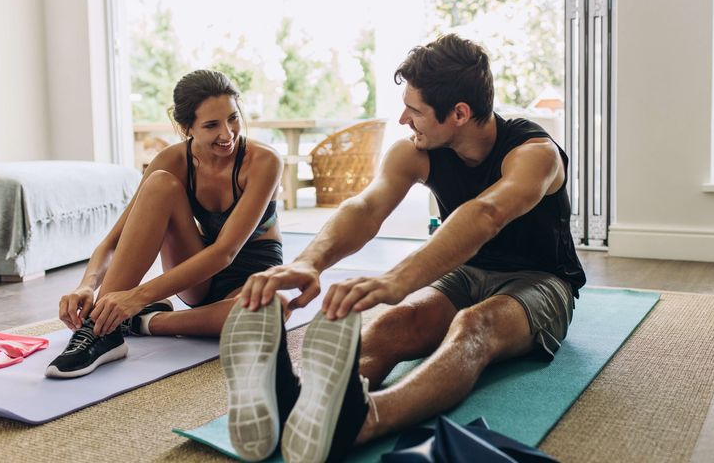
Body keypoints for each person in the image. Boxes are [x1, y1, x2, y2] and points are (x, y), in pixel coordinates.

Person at [220, 33, 586, 463]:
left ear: (459, 114)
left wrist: (397, 279)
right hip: (467, 271)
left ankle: (362, 420)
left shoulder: (535, 154)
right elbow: (367, 207)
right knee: (398, 321)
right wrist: (308, 263)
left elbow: (487, 214)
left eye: (414, 110)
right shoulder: (416, 150)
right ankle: (299, 402)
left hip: (541, 281)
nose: (402, 120)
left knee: (474, 328)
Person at [46, 69, 286, 379]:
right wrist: (87, 284)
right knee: (160, 184)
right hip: (197, 273)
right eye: (212, 125)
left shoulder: (265, 162)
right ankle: (100, 330)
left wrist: (137, 299)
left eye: (233, 118)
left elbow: (225, 252)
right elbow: (114, 240)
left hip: (251, 276)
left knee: (272, 310)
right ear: (186, 127)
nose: (227, 134)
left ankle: (142, 322)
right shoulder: (172, 161)